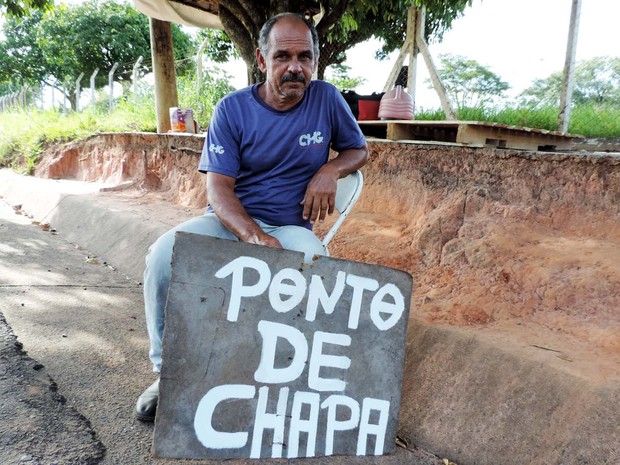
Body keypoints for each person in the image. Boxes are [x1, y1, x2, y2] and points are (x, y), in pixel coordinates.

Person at [135, 12, 369, 422]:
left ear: (314, 60)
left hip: (292, 228)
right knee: (162, 255)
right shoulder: (232, 110)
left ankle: (289, 383)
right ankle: (167, 371)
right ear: (262, 61)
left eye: (305, 56)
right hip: (230, 226)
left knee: (318, 268)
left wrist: (330, 169)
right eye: (282, 56)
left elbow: (359, 149)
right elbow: (219, 190)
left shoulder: (327, 99)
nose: (295, 67)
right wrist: (255, 237)